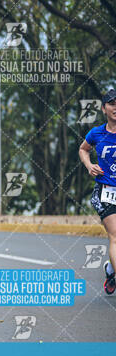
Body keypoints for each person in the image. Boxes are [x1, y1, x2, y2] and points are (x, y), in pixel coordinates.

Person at [79, 88, 116, 295]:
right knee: (115, 236)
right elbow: (83, 149)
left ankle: (110, 270)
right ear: (104, 108)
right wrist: (89, 165)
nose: (115, 107)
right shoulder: (96, 133)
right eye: (111, 103)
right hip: (105, 190)